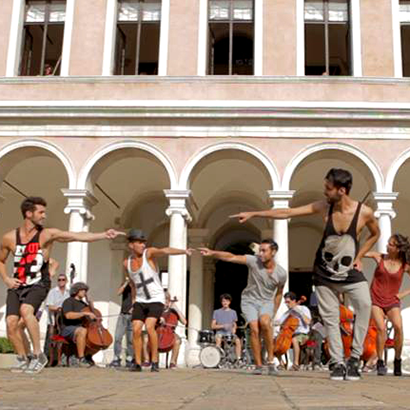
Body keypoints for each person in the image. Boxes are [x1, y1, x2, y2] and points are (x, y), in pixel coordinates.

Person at [231, 168, 380, 381]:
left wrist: (360, 256)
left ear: (342, 190)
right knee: (331, 318)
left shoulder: (363, 212)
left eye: (328, 189)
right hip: (324, 272)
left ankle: (355, 358)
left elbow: (376, 234)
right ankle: (337, 362)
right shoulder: (324, 207)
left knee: (365, 304)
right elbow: (287, 212)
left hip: (348, 271)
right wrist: (255, 213)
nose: (325, 192)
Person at [0, 196, 123, 374]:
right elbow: (1, 261)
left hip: (38, 283)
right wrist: (6, 279)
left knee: (26, 312)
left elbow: (77, 236)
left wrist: (103, 235)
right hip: (17, 284)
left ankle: (38, 355)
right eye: (40, 212)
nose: (44, 215)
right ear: (28, 213)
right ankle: (22, 359)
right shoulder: (9, 238)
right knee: (11, 323)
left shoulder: (47, 235)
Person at [200, 239, 286, 376]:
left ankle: (270, 360)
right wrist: (212, 253)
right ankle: (258, 365)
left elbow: (279, 294)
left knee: (265, 322)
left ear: (273, 252)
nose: (261, 253)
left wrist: (273, 311)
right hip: (249, 300)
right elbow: (232, 257)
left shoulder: (281, 274)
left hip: (266, 302)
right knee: (254, 328)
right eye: (260, 250)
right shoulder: (254, 261)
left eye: (264, 251)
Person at [125, 229, 192, 372]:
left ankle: (154, 361)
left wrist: (183, 251)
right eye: (139, 242)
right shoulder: (127, 263)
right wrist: (133, 302)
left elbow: (165, 250)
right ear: (131, 245)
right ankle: (137, 363)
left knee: (149, 327)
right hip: (141, 300)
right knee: (136, 330)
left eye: (144, 242)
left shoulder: (148, 254)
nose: (143, 245)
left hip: (156, 298)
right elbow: (133, 284)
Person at [365, 233, 410, 376]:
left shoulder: (404, 265)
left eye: (391, 244)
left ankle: (397, 360)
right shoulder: (379, 257)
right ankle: (379, 362)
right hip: (376, 299)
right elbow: (363, 252)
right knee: (381, 328)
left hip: (392, 301)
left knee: (398, 327)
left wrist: (402, 295)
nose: (387, 245)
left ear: (397, 249)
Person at [61, 282, 97, 367]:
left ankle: (88, 356)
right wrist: (84, 314)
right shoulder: (68, 301)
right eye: (83, 290)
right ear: (76, 291)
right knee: (82, 331)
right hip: (68, 328)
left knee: (96, 337)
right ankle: (81, 359)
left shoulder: (84, 304)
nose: (85, 292)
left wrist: (90, 303)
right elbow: (68, 315)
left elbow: (94, 315)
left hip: (81, 327)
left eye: (85, 290)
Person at [276, 292, 311, 370]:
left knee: (294, 339)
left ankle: (295, 364)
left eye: (288, 302)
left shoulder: (303, 309)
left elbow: (308, 322)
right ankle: (281, 363)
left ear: (294, 301)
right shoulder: (288, 313)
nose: (287, 304)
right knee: (274, 342)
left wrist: (299, 312)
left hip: (304, 335)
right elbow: (279, 322)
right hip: (290, 334)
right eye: (286, 302)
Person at [44, 260, 70, 362]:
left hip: (64, 320)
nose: (61, 281)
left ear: (66, 281)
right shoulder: (52, 292)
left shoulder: (68, 293)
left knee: (65, 338)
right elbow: (50, 306)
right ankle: (49, 359)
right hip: (53, 319)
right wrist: (59, 308)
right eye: (59, 280)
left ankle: (64, 359)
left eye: (63, 280)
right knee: (51, 337)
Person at [156, 291, 187, 369]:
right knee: (146, 338)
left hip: (170, 333)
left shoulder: (173, 311)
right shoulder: (156, 310)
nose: (165, 302)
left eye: (167, 300)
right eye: (163, 300)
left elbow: (184, 322)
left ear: (169, 301)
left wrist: (176, 308)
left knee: (178, 340)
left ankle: (173, 362)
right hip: (156, 331)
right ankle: (152, 361)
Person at [109, 277, 134, 368]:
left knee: (131, 339)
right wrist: (126, 283)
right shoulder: (125, 285)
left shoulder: (138, 286)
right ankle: (116, 358)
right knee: (118, 337)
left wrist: (134, 307)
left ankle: (130, 358)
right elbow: (118, 293)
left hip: (133, 316)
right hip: (123, 314)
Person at [211, 293, 242, 364]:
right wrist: (222, 326)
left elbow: (234, 324)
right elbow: (213, 326)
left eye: (226, 301)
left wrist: (234, 328)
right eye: (223, 301)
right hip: (220, 332)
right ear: (221, 302)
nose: (225, 303)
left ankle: (238, 359)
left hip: (230, 333)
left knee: (238, 341)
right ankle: (217, 359)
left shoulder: (233, 312)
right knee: (218, 340)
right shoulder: (216, 312)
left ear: (229, 302)